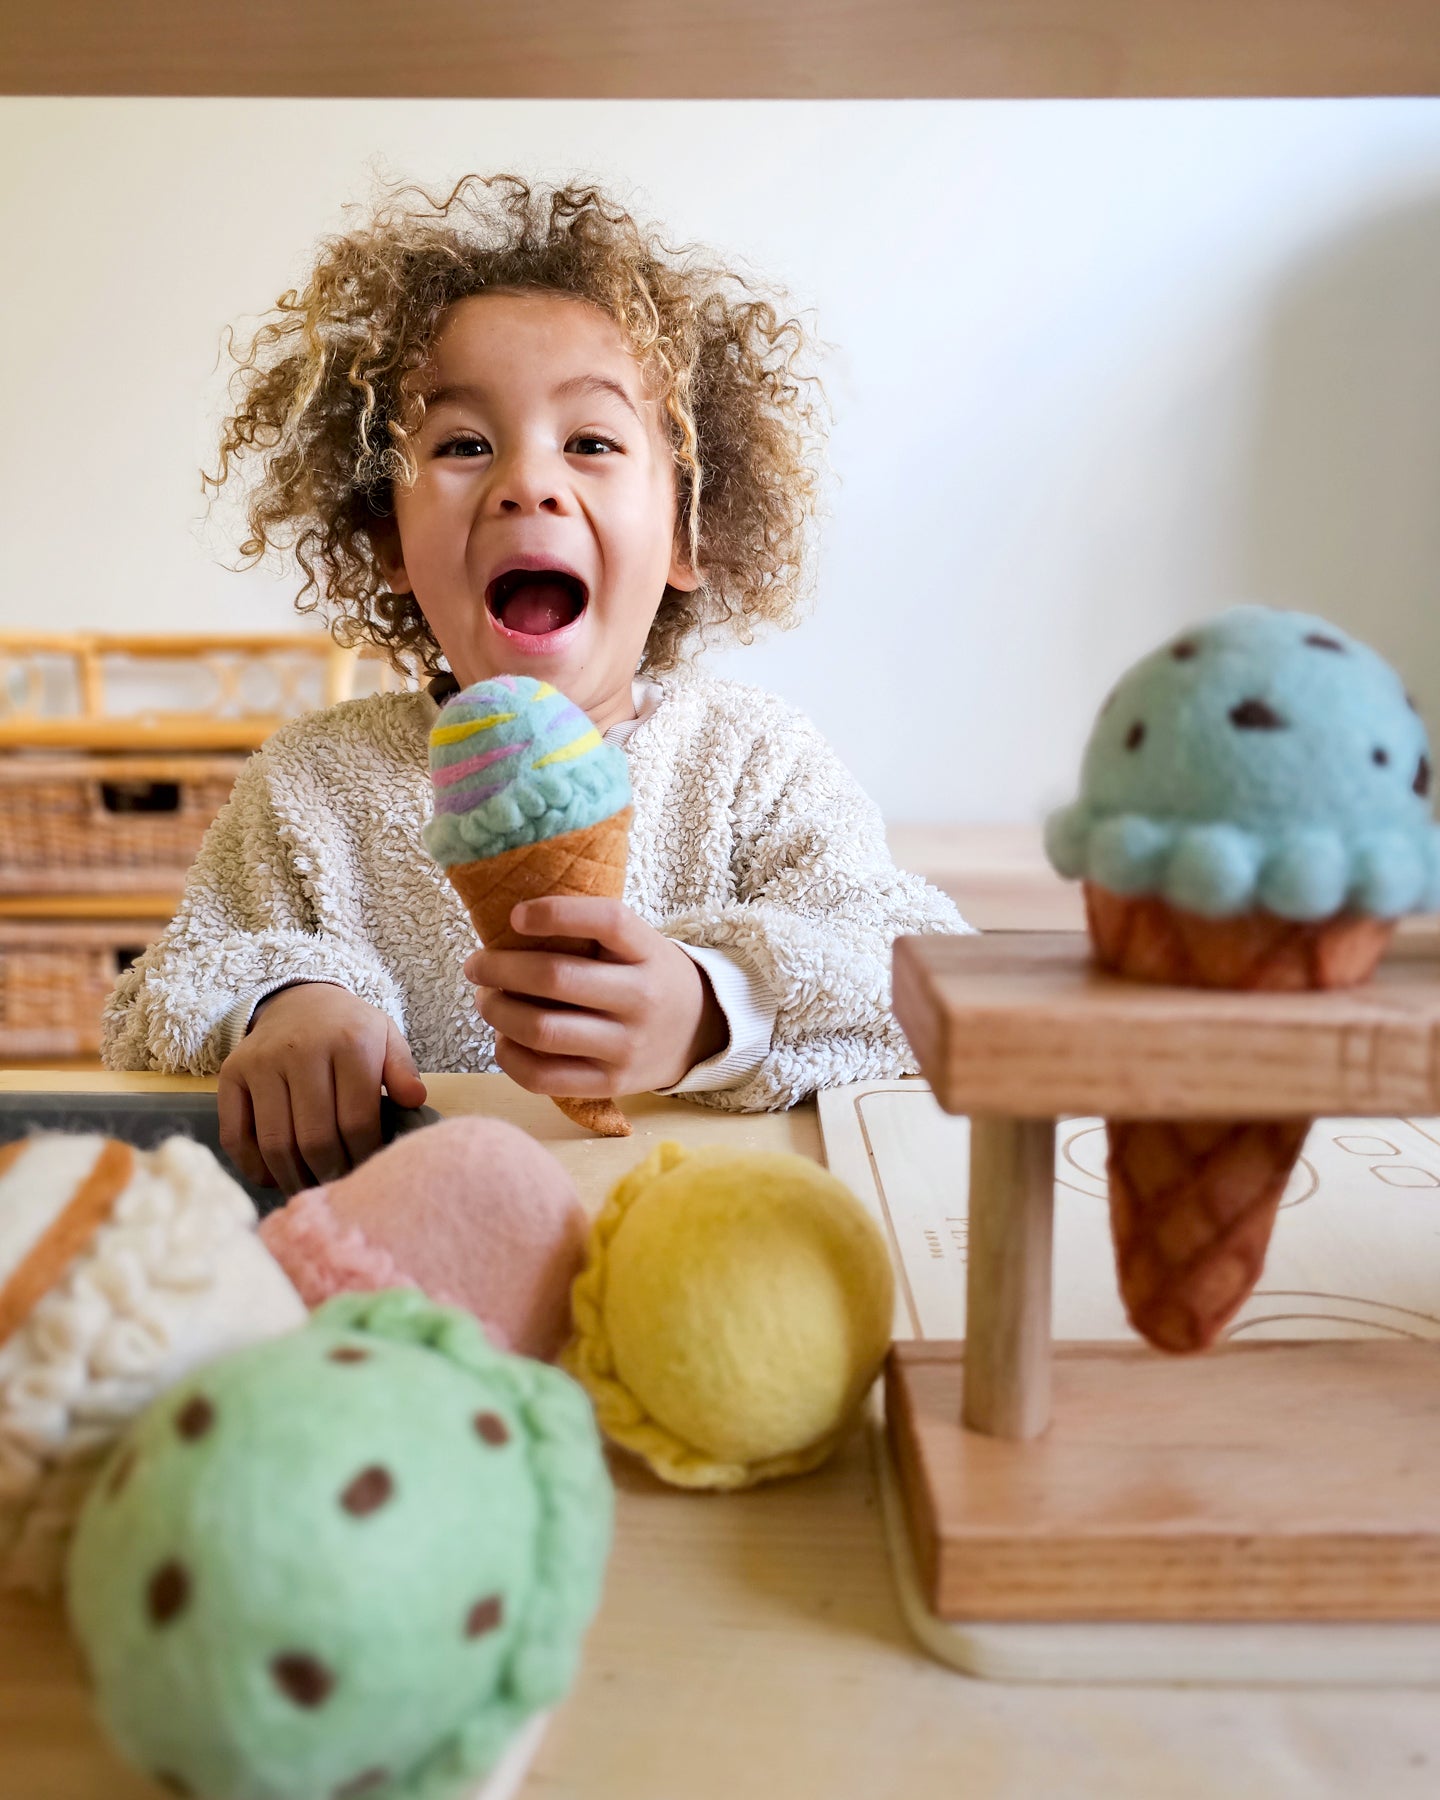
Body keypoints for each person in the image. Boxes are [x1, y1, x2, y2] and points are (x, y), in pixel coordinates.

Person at [103, 174, 970, 1194]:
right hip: (401, 1266)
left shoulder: (755, 765)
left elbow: (914, 968)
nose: (528, 480)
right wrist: (286, 1001)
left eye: (593, 443)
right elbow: (166, 983)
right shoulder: (312, 783)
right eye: (464, 444)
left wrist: (707, 1006)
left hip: (694, 1257)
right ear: (385, 537)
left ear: (691, 530)